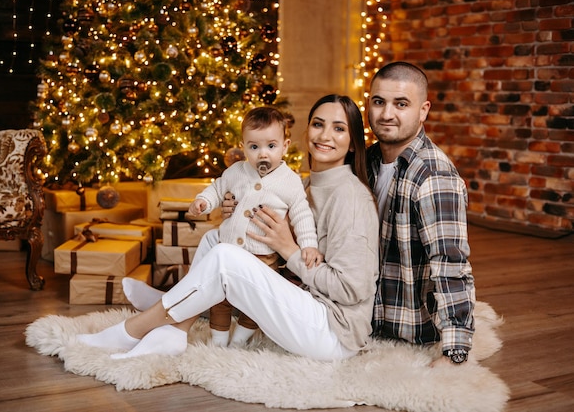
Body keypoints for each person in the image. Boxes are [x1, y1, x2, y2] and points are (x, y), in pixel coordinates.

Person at [78, 94, 380, 361]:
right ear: (304, 131)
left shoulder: (350, 198)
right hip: (302, 306)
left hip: (333, 331)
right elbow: (261, 237)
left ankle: (132, 330)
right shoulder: (304, 184)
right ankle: (177, 326)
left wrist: (288, 250)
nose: (325, 134)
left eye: (339, 128)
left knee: (225, 256)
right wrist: (230, 213)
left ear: (353, 141)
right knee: (214, 240)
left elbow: (352, 289)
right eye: (318, 124)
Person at [365, 61, 476, 366]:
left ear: (423, 110)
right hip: (363, 315)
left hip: (406, 326)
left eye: (401, 104)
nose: (386, 114)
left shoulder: (433, 175)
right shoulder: (367, 160)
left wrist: (456, 350)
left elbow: (450, 264)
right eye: (378, 102)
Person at [188, 106, 322, 348]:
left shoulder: (290, 181)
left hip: (263, 259)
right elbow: (217, 188)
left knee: (256, 303)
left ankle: (239, 340)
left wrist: (309, 245)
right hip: (228, 253)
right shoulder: (236, 171)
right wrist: (203, 202)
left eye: (271, 146)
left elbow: (302, 216)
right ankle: (218, 343)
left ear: (285, 145)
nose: (263, 154)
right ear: (244, 146)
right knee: (221, 299)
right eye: (254, 147)